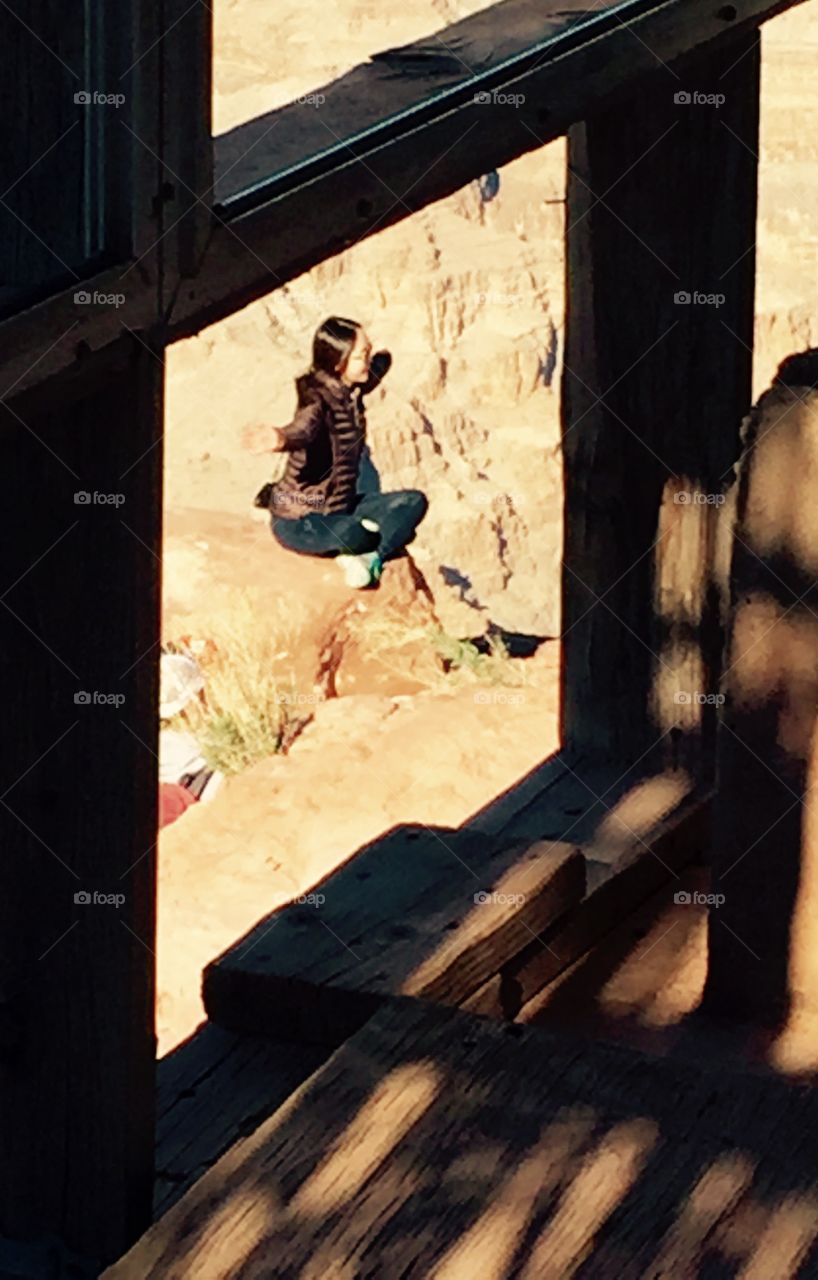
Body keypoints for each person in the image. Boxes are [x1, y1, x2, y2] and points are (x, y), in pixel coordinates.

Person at [244, 316, 428, 588]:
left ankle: (369, 559)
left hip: (341, 504)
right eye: (361, 356)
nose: (367, 361)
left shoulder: (349, 389)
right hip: (303, 516)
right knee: (354, 532)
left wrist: (384, 355)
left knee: (413, 502)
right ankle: (363, 544)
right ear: (339, 361)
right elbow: (304, 429)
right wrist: (281, 438)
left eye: (367, 353)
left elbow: (374, 371)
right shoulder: (316, 399)